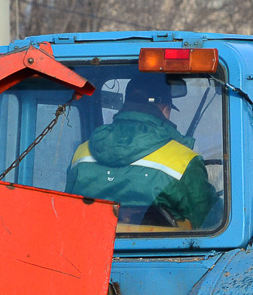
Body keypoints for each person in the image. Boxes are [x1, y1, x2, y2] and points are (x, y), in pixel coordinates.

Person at [67, 75, 217, 228]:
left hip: (92, 249)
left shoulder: (82, 153)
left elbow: (68, 210)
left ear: (126, 106)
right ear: (166, 111)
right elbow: (209, 221)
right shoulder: (185, 161)